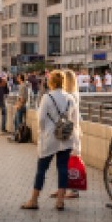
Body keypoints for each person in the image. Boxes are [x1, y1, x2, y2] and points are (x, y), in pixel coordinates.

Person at [20, 70, 80, 211]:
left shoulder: (47, 98)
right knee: (63, 169)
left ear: (51, 82)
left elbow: (40, 119)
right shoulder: (70, 98)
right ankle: (60, 201)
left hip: (49, 138)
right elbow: (75, 120)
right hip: (66, 138)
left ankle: (34, 200)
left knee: (41, 169)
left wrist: (43, 132)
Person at [60, 70, 83, 199]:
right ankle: (62, 188)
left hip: (70, 130)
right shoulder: (72, 94)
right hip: (71, 129)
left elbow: (68, 114)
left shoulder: (71, 96)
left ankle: (74, 190)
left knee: (72, 161)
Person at [13, 73, 30, 139]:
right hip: (21, 105)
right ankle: (17, 135)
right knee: (16, 121)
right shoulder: (22, 86)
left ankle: (18, 136)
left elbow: (22, 98)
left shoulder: (23, 86)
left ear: (20, 78)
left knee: (18, 122)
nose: (17, 78)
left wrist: (19, 105)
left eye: (18, 77)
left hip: (21, 106)